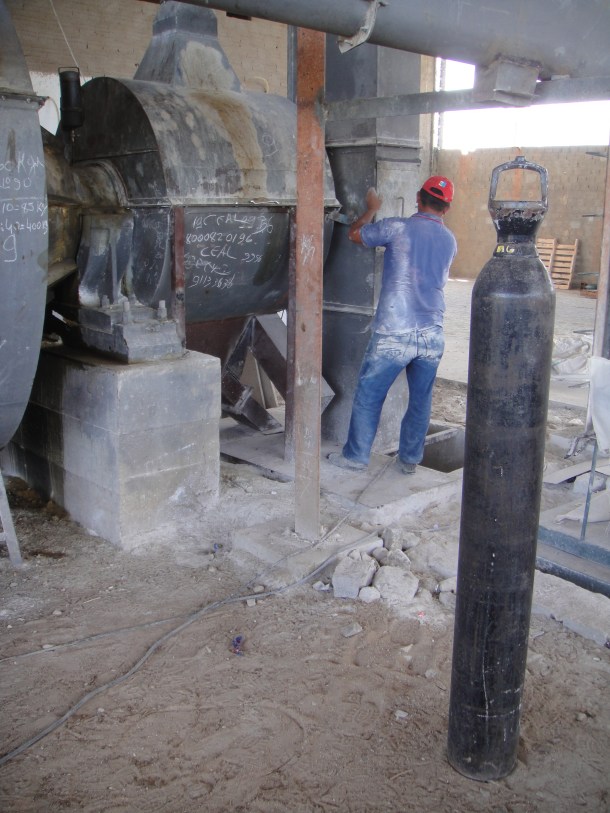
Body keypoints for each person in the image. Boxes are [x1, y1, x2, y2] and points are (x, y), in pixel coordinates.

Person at [328, 176, 457, 475]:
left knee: (369, 395)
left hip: (394, 333)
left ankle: (356, 457)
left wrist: (371, 209)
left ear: (418, 197)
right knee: (420, 402)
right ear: (446, 208)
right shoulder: (450, 240)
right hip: (432, 333)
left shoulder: (397, 227)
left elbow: (355, 235)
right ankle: (409, 461)